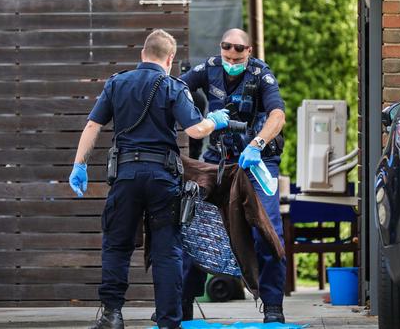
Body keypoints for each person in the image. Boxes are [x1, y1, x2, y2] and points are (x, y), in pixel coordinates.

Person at [68, 29, 230, 329]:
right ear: (170, 59)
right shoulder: (172, 87)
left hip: (126, 176)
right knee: (166, 251)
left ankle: (112, 316)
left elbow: (93, 125)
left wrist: (79, 165)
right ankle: (169, 321)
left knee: (117, 246)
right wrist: (215, 121)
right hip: (162, 179)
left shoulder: (117, 83)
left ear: (142, 54)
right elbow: (195, 130)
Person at [179, 28, 287, 323]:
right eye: (227, 54)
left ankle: (273, 307)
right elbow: (174, 90)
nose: (232, 60)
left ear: (249, 51)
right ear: (221, 49)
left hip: (255, 162)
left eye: (238, 54)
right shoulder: (209, 69)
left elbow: (278, 115)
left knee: (267, 230)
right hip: (217, 160)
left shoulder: (261, 75)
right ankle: (182, 302)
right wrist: (198, 119)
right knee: (192, 225)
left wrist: (257, 144)